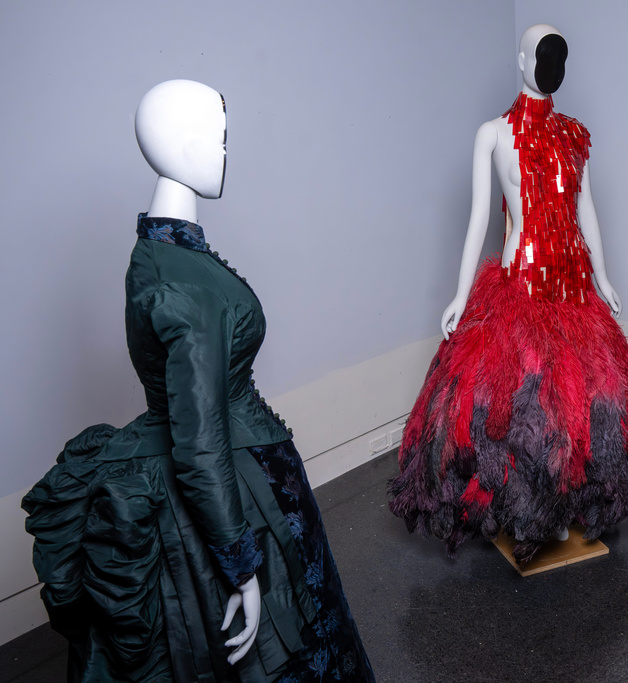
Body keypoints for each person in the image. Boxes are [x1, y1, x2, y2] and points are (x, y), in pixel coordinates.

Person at [22, 80, 374, 682]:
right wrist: (241, 566)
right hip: (230, 476)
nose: (225, 153)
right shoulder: (182, 280)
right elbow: (200, 439)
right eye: (219, 138)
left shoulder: (158, 253)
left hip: (228, 458)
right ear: (181, 145)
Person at [389, 25, 628, 564]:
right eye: (542, 54)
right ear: (522, 60)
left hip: (574, 285)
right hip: (522, 283)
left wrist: (604, 277)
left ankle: (565, 507)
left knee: (581, 401)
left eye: (558, 55)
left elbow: (585, 210)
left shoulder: (575, 134)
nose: (550, 63)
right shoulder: (494, 133)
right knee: (529, 402)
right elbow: (479, 219)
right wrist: (461, 294)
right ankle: (532, 511)